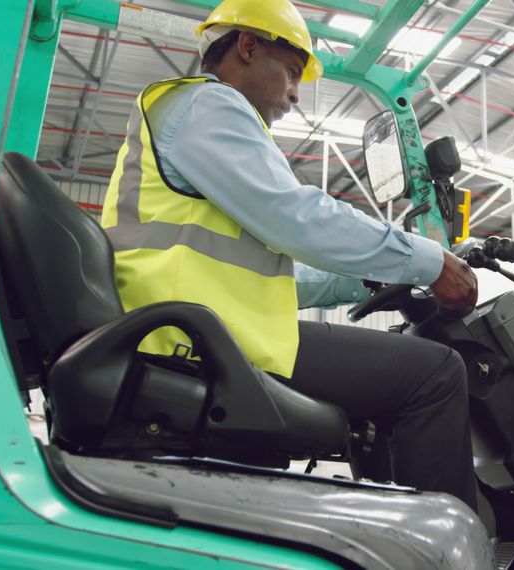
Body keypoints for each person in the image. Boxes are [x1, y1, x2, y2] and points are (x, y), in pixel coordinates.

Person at [100, 0, 479, 510]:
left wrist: (362, 281)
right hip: (191, 345)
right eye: (293, 73)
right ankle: (447, 550)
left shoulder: (193, 123)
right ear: (248, 45)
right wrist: (429, 260)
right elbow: (298, 215)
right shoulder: (206, 107)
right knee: (435, 374)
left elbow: (270, 268)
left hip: (196, 335)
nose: (296, 95)